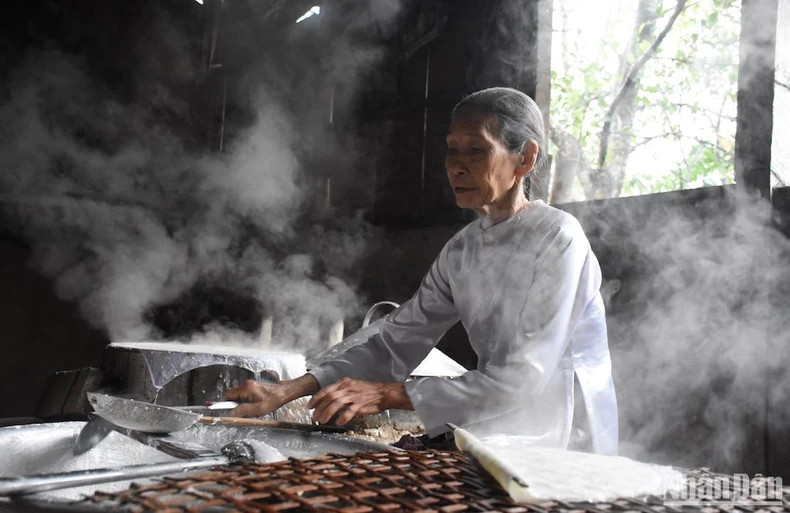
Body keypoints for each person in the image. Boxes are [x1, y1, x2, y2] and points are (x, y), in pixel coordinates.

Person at [226, 87, 618, 455]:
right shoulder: (462, 250)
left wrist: (386, 394)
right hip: (497, 425)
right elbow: (394, 343)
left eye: (476, 150)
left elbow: (522, 378)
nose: (457, 167)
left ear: (525, 158)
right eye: (452, 151)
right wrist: (286, 390)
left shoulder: (558, 237)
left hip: (565, 432)